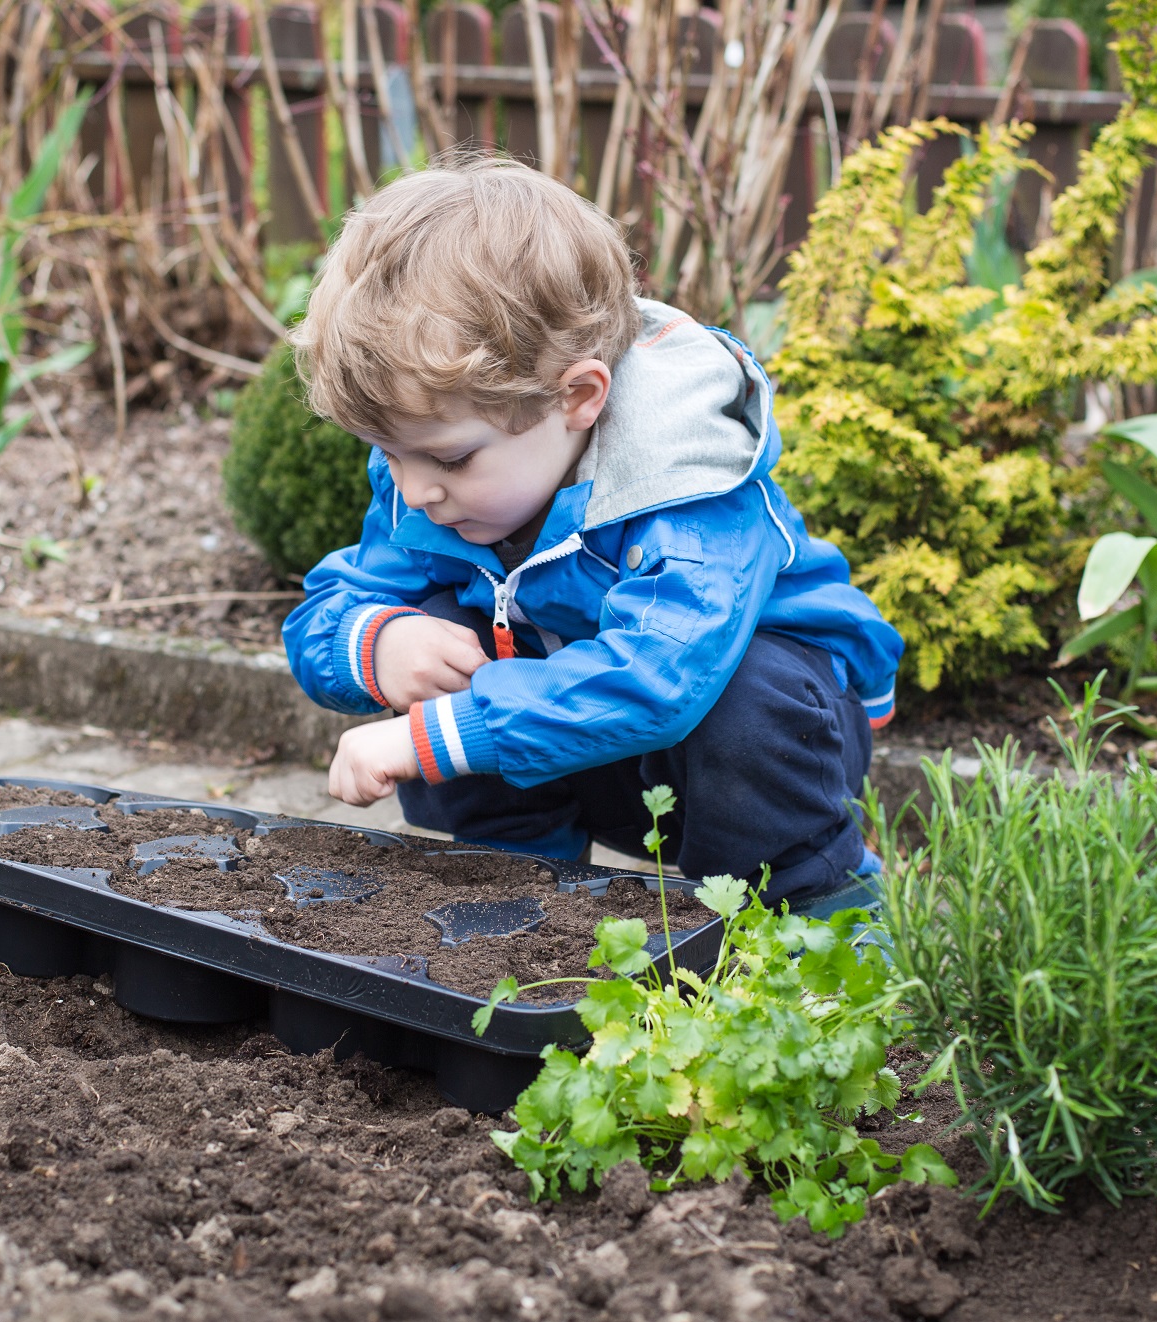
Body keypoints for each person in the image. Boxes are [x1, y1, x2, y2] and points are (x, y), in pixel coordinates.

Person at [279, 156, 903, 905]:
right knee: (438, 634)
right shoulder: (436, 485)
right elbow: (330, 605)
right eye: (388, 452)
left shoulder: (688, 484)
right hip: (585, 748)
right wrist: (377, 645)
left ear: (577, 396)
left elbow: (658, 678)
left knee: (748, 695)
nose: (414, 489)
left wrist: (434, 737)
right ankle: (523, 885)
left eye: (449, 456)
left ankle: (814, 906)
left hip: (765, 757)